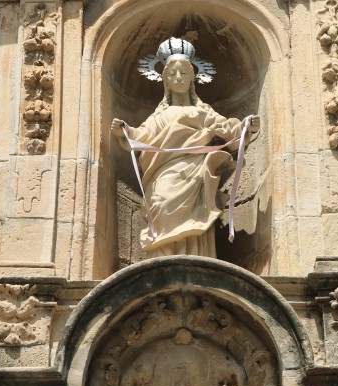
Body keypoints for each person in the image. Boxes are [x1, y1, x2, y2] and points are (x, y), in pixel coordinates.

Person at [111, 41, 259, 257]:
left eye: (183, 73)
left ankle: (196, 258)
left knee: (197, 217)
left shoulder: (202, 111)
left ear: (192, 78)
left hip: (196, 173)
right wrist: (125, 130)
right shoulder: (160, 115)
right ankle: (163, 260)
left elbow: (230, 130)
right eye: (172, 74)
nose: (178, 78)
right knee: (161, 203)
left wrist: (247, 126)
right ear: (165, 81)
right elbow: (141, 135)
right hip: (164, 173)